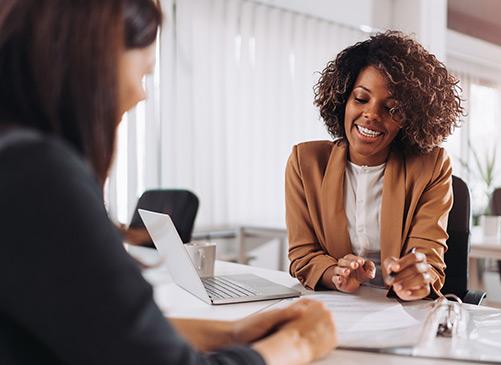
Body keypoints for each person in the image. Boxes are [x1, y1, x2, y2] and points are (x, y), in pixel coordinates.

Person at [0, 1, 336, 364]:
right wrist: (298, 345)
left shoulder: (18, 161)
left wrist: (234, 333)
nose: (141, 94)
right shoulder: (39, 175)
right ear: (93, 60)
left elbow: (109, 332)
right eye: (144, 73)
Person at [286, 31, 463, 301]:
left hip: (402, 312)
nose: (371, 115)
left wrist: (417, 278)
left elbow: (429, 259)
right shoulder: (305, 162)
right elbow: (303, 255)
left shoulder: (432, 166)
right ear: (343, 99)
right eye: (361, 98)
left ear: (409, 119)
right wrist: (335, 275)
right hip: (336, 307)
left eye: (392, 108)